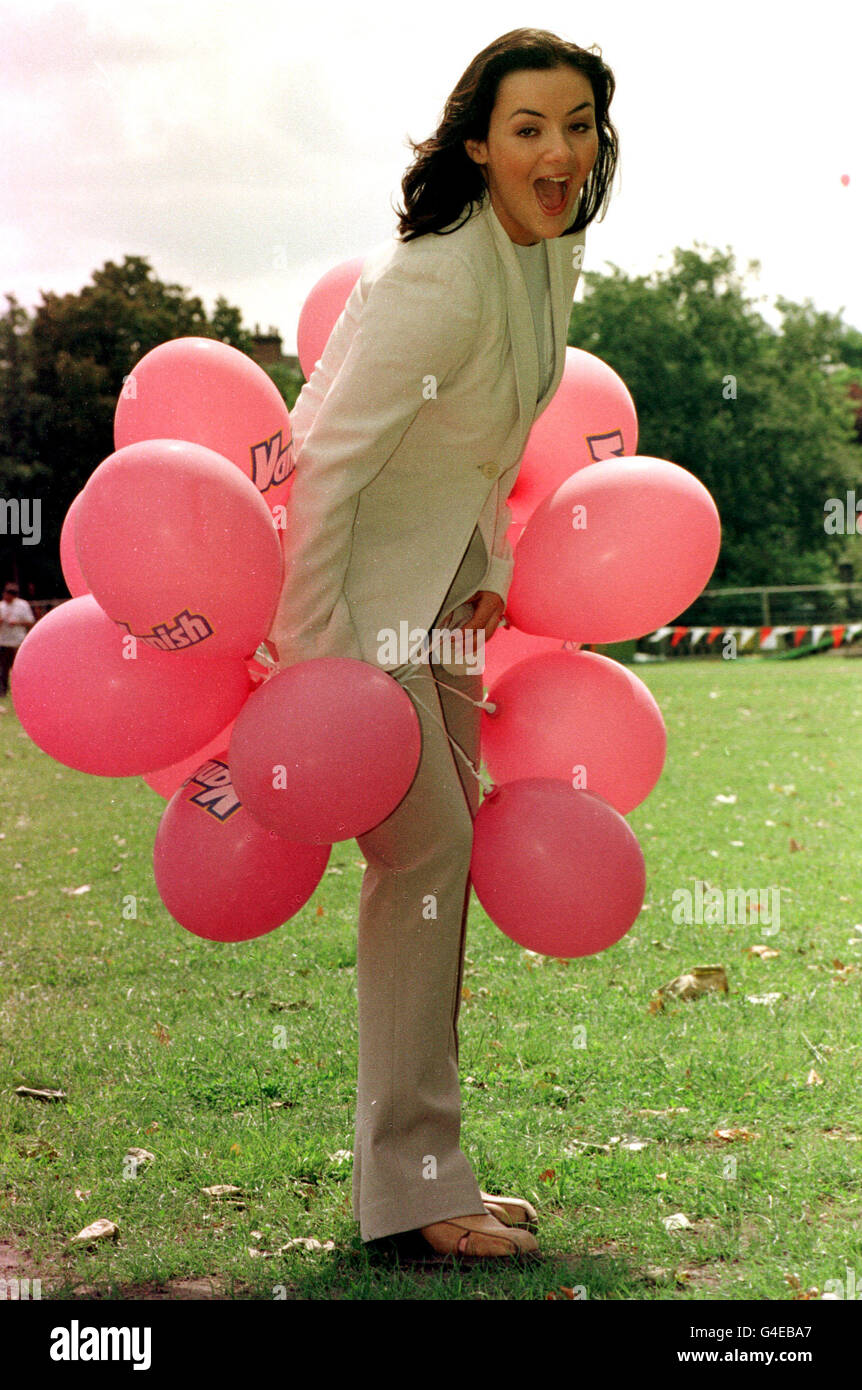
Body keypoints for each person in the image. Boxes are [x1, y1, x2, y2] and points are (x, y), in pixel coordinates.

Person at [265, 27, 618, 1260]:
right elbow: (322, 472)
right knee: (428, 858)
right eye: (529, 128)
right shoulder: (435, 276)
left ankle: (427, 1172)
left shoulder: (547, 251)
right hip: (354, 615)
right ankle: (413, 1196)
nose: (559, 150)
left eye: (577, 123)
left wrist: (496, 562)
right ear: (479, 144)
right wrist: (314, 665)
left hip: (441, 599)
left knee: (438, 879)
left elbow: (489, 430)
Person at [0, 581, 36, 697]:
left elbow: (30, 621)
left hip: (18, 641)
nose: (6, 597)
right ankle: (3, 691)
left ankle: (23, 691)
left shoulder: (22, 605)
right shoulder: (1, 606)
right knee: (3, 669)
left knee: (19, 669)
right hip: (3, 641)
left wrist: (17, 623)